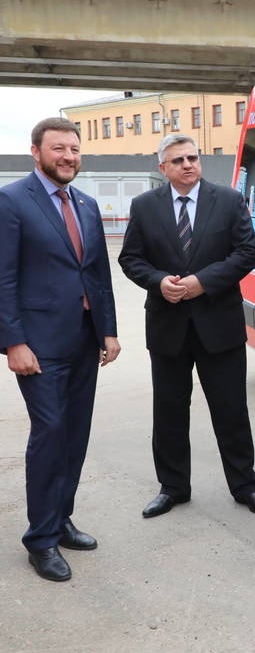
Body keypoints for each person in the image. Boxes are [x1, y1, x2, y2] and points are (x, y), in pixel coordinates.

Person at [118, 135, 255, 519]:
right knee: (169, 411)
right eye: (178, 160)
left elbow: (247, 252)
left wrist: (203, 281)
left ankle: (246, 486)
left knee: (231, 410)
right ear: (163, 168)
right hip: (168, 326)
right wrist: (158, 282)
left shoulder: (229, 200)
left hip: (218, 325)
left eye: (193, 157)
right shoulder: (144, 206)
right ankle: (172, 487)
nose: (188, 165)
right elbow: (130, 258)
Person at [0, 117, 121, 582]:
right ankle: (41, 539)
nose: (68, 156)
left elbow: (97, 273)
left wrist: (107, 331)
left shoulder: (86, 204)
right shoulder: (12, 201)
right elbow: (4, 277)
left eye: (74, 149)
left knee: (75, 433)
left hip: (83, 340)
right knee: (50, 434)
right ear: (36, 152)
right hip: (38, 346)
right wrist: (13, 341)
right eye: (58, 149)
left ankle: (62, 517)